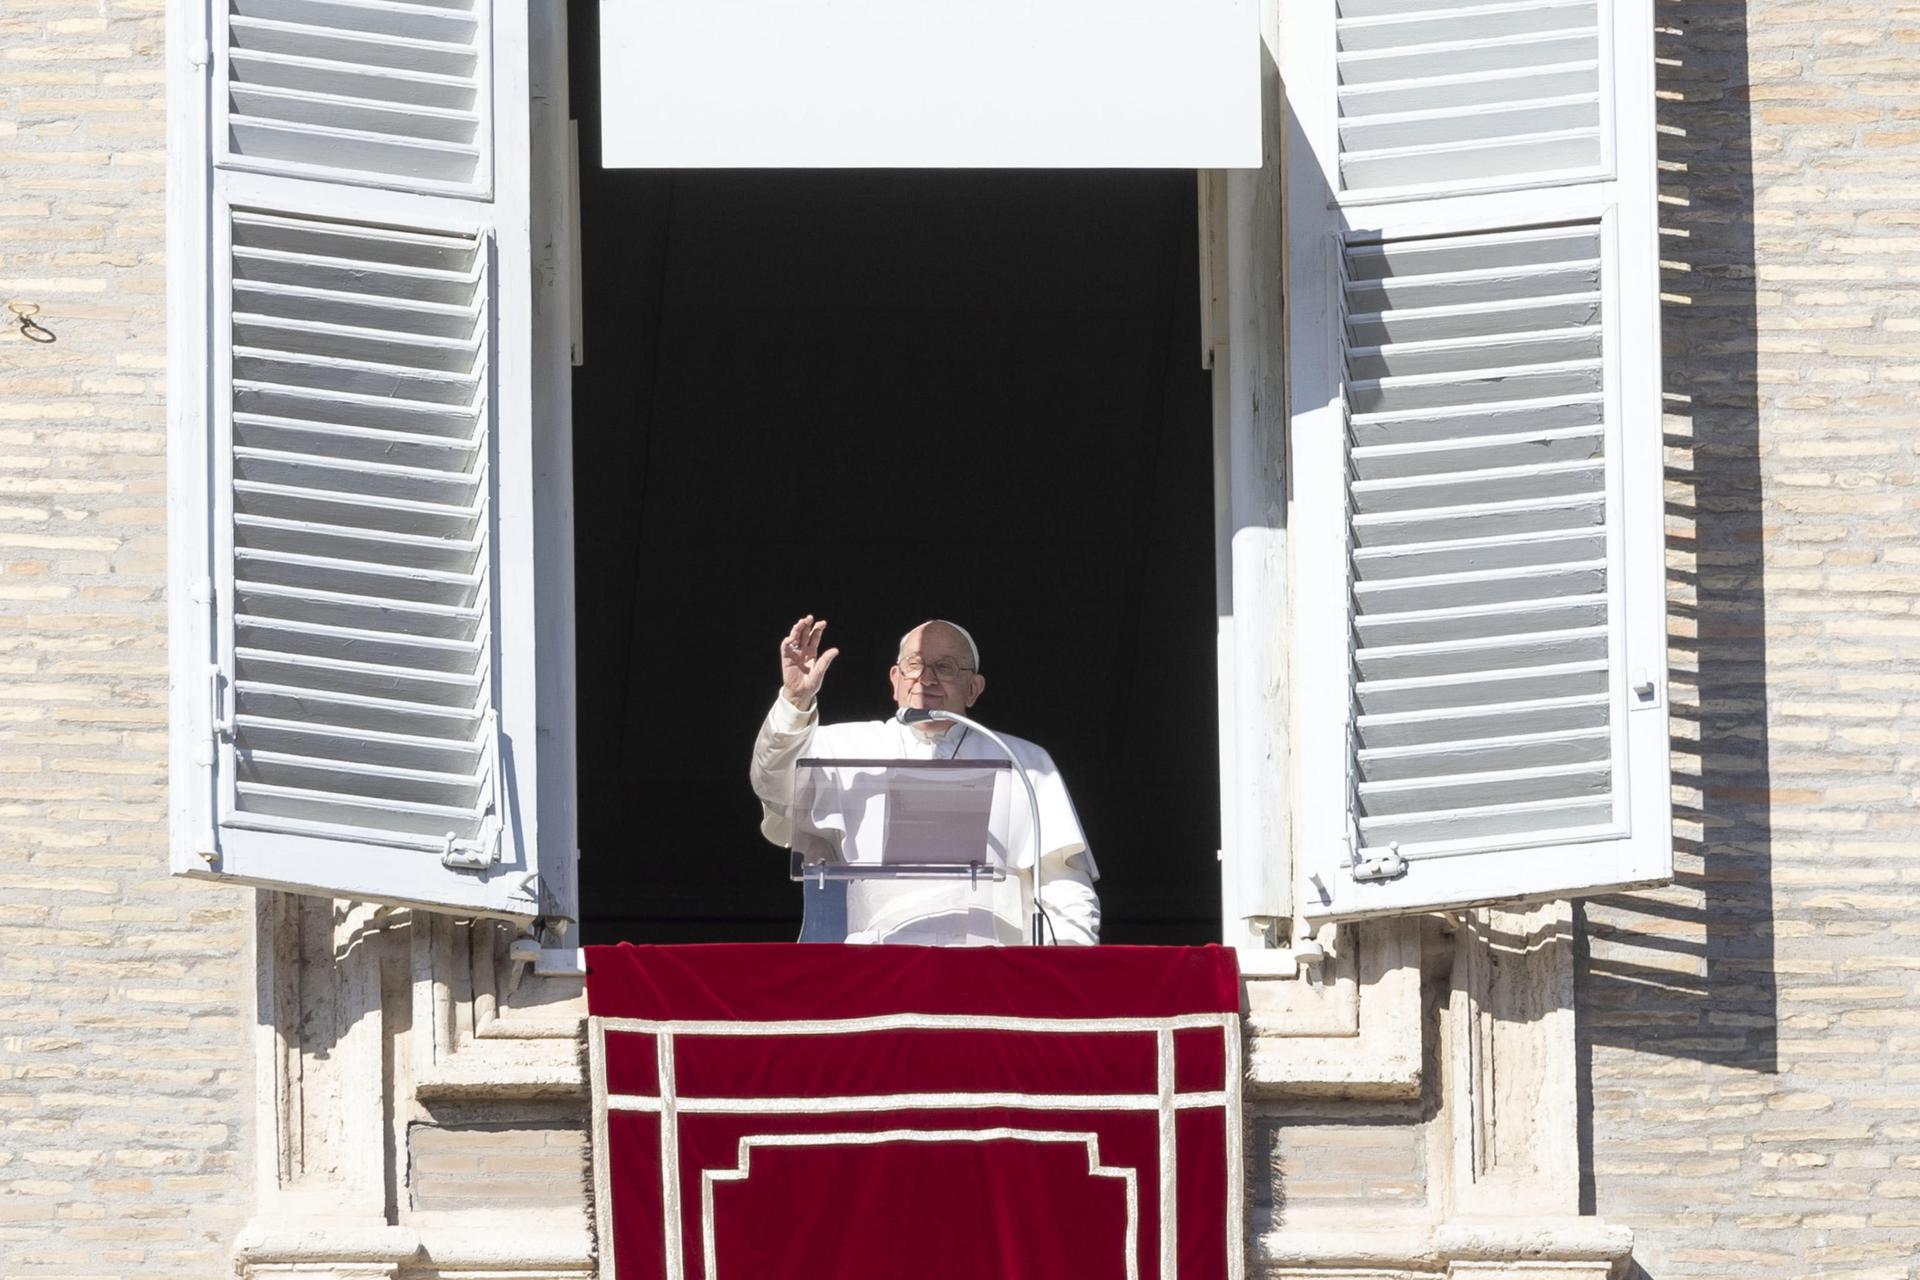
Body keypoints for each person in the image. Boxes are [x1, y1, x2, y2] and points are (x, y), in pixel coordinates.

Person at [750, 615, 1100, 945]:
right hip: (877, 965)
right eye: (914, 666)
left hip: (991, 970)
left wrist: (1071, 965)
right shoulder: (841, 746)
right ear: (895, 680)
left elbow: (1062, 882)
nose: (926, 679)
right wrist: (796, 700)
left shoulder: (1025, 761)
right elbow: (772, 783)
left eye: (944, 667)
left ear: (974, 689)